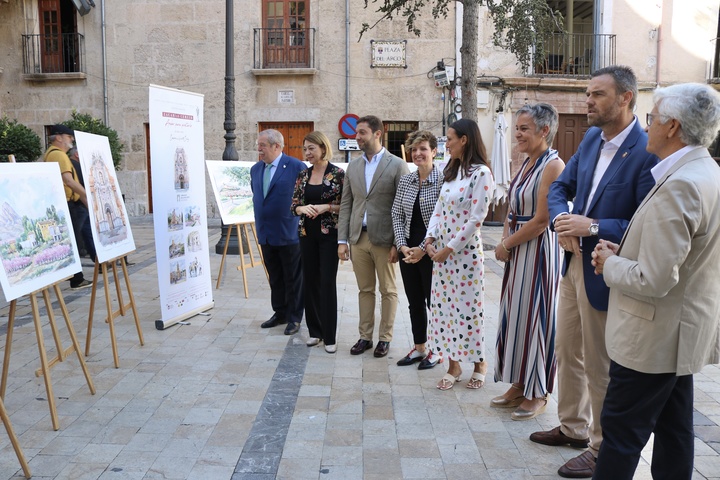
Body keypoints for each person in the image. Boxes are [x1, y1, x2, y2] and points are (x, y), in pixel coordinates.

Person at [530, 66, 659, 479]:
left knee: (600, 363)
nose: (587, 101)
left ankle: (602, 448)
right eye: (587, 93)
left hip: (607, 271)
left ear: (625, 98)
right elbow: (559, 189)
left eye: (597, 94)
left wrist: (593, 226)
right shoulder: (588, 139)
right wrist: (563, 220)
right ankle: (572, 426)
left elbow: (644, 221)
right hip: (572, 265)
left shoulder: (646, 151)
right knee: (567, 350)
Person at [591, 83, 720, 480]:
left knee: (621, 436)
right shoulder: (706, 171)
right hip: (678, 334)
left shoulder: (681, 184)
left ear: (673, 127)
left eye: (653, 119)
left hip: (653, 337)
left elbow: (655, 278)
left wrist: (609, 263)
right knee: (674, 431)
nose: (648, 127)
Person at [492, 103, 565, 420]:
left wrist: (507, 242)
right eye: (516, 128)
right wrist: (506, 237)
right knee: (517, 315)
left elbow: (541, 220)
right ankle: (520, 383)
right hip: (518, 249)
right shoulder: (525, 162)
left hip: (538, 250)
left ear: (544, 130)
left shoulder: (553, 164)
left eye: (524, 128)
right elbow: (512, 208)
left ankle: (539, 391)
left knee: (538, 317)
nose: (517, 134)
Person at [425, 118, 494, 391]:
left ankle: (479, 364)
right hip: (442, 254)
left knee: (469, 310)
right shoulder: (450, 171)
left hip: (464, 256)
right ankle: (452, 365)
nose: (447, 143)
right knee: (443, 310)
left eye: (450, 138)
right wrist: (429, 239)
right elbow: (439, 210)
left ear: (464, 140)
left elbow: (477, 217)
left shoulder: (482, 173)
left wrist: (450, 247)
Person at [337, 115, 409, 358]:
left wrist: (398, 244)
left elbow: (403, 207)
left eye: (362, 133)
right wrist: (342, 240)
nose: (356, 137)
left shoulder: (397, 164)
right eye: (356, 133)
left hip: (385, 240)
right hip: (358, 238)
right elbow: (347, 203)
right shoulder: (354, 166)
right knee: (364, 290)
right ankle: (364, 336)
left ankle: (385, 338)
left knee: (388, 290)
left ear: (378, 134)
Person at [391, 130, 443, 370]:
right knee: (414, 301)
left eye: (423, 148)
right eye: (414, 149)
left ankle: (439, 349)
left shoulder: (444, 181)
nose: (418, 153)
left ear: (434, 151)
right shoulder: (406, 180)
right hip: (408, 252)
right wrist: (402, 246)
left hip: (432, 252)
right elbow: (396, 214)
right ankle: (420, 346)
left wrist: (422, 249)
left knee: (435, 302)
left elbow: (443, 220)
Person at [291, 131, 344, 354]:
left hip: (329, 234)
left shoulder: (338, 174)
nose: (307, 153)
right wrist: (302, 208)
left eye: (311, 148)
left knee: (327, 283)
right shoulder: (303, 175)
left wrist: (327, 207)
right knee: (310, 281)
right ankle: (315, 332)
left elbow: (346, 206)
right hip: (306, 233)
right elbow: (294, 205)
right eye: (305, 149)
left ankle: (330, 336)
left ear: (323, 148)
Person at [251, 129, 306, 335]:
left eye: (262, 145)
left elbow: (303, 197)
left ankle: (294, 317)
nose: (259, 149)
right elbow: (258, 196)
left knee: (292, 277)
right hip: (266, 233)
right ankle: (280, 312)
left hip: (289, 232)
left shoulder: (295, 166)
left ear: (276, 146)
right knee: (274, 276)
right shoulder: (256, 169)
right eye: (259, 145)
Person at [44, 124, 96, 290]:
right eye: (69, 136)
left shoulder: (55, 154)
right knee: (71, 242)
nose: (71, 139)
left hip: (71, 203)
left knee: (71, 240)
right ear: (59, 137)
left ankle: (76, 276)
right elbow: (69, 181)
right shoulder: (58, 155)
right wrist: (89, 196)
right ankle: (76, 278)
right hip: (69, 204)